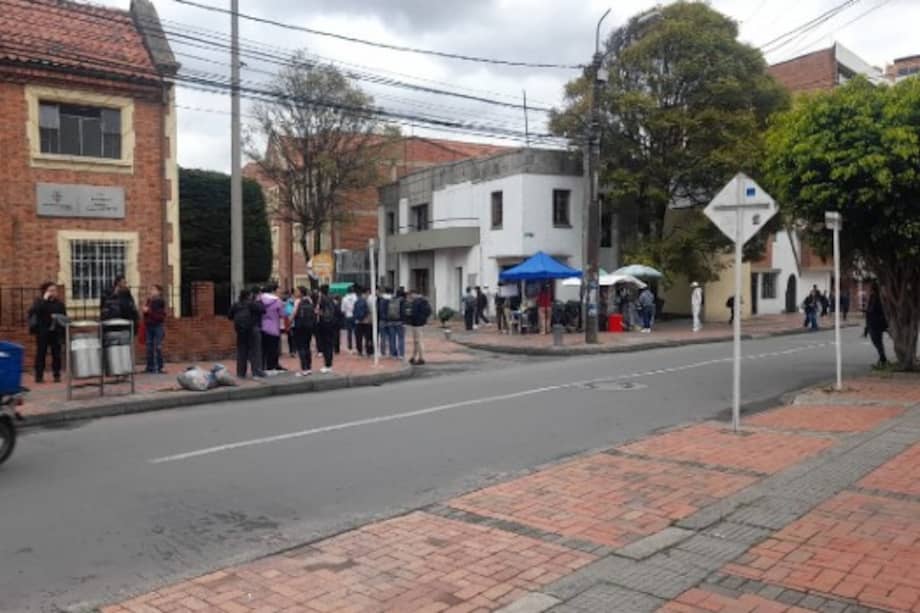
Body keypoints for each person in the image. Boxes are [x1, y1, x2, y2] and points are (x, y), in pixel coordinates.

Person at [29, 282, 66, 383]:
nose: (53, 292)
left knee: (56, 354)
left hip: (55, 332)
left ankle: (56, 375)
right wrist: (44, 300)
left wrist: (63, 333)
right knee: (41, 354)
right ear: (45, 292)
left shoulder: (59, 304)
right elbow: (35, 311)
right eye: (51, 290)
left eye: (55, 290)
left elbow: (64, 318)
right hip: (43, 331)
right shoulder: (39, 302)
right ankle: (39, 376)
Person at [228, 289, 265, 378]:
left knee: (241, 351)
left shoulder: (236, 305)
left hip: (240, 331)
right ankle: (256, 371)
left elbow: (229, 316)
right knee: (255, 351)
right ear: (249, 295)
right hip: (253, 329)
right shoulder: (252, 303)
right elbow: (263, 310)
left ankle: (241, 372)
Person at [259, 284, 284, 371]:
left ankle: (262, 367)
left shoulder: (259, 300)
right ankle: (272, 366)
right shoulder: (277, 301)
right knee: (273, 349)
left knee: (263, 348)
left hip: (262, 326)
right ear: (273, 291)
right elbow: (281, 314)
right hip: (274, 328)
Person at [142, 284, 167, 374]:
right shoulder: (149, 301)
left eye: (153, 289)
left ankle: (160, 367)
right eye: (151, 289)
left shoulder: (160, 302)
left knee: (158, 346)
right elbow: (147, 314)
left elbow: (160, 316)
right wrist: (145, 312)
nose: (151, 291)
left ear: (159, 292)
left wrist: (148, 311)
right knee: (149, 346)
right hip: (149, 325)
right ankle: (150, 366)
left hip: (157, 326)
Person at [292, 286, 315, 376]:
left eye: (297, 291)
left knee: (301, 347)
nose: (295, 292)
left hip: (299, 326)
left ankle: (303, 368)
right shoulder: (309, 300)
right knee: (307, 346)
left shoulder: (298, 301)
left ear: (301, 292)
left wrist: (290, 321)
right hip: (309, 326)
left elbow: (294, 313)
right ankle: (309, 368)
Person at [864, 282, 888, 367]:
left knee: (877, 341)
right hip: (874, 323)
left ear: (872, 289)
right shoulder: (875, 297)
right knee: (878, 342)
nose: (868, 290)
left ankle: (883, 359)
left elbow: (873, 310)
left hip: (875, 323)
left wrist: (865, 311)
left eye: (869, 289)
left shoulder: (876, 298)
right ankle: (882, 358)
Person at [406, 288, 432, 365]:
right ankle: (413, 357)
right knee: (416, 341)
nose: (410, 296)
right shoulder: (423, 301)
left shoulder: (417, 302)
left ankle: (421, 358)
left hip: (417, 323)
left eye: (411, 295)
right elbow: (428, 311)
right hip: (419, 323)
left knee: (418, 341)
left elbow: (413, 313)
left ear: (414, 294)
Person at [315, 285, 337, 373]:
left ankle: (327, 364)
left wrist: (318, 312)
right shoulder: (331, 299)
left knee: (325, 345)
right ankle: (329, 364)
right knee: (329, 344)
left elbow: (320, 312)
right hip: (331, 323)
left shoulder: (322, 299)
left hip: (324, 324)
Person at [353, 286, 374, 357]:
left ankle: (360, 351)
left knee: (359, 338)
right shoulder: (369, 300)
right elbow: (371, 311)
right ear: (367, 292)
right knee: (368, 337)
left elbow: (354, 311)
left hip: (358, 321)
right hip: (367, 322)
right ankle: (369, 352)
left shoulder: (357, 301)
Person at [388, 288, 407, 360]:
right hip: (399, 322)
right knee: (401, 338)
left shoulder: (392, 300)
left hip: (391, 321)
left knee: (392, 338)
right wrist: (404, 322)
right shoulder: (402, 301)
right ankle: (401, 354)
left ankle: (393, 354)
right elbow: (403, 312)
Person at [341, 285, 358, 354]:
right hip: (355, 316)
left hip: (348, 316)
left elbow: (343, 309)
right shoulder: (356, 297)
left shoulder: (344, 298)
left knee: (349, 332)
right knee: (356, 332)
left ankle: (350, 347)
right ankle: (357, 346)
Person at [283, 291, 296, 357]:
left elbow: (285, 314)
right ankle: (293, 351)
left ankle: (292, 351)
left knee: (291, 338)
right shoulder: (293, 303)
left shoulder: (287, 304)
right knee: (292, 338)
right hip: (293, 323)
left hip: (290, 323)